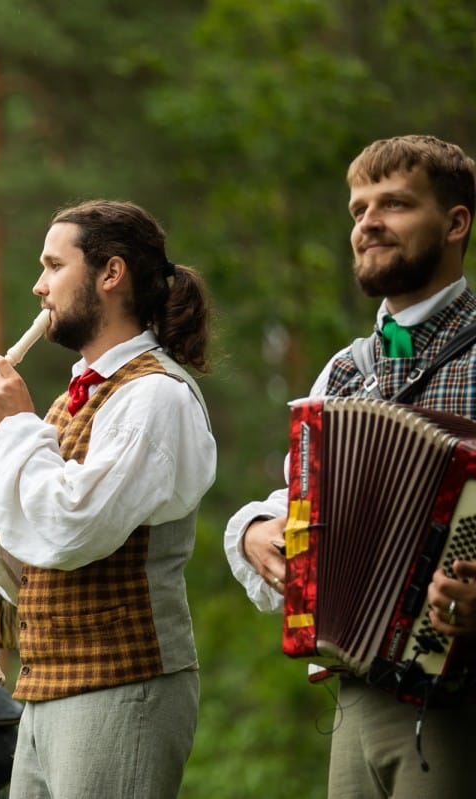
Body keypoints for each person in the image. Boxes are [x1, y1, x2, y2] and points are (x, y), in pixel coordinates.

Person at [0, 199, 216, 798]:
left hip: (125, 684)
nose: (39, 287)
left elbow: (70, 531)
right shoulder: (69, 402)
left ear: (111, 274)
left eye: (54, 266)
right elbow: (27, 573)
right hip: (47, 688)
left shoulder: (154, 395)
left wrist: (16, 428)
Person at [224, 134, 476, 796]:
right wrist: (255, 531)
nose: (368, 223)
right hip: (355, 698)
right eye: (358, 209)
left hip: (462, 702)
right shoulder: (346, 369)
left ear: (455, 223)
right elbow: (301, 497)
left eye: (394, 204)